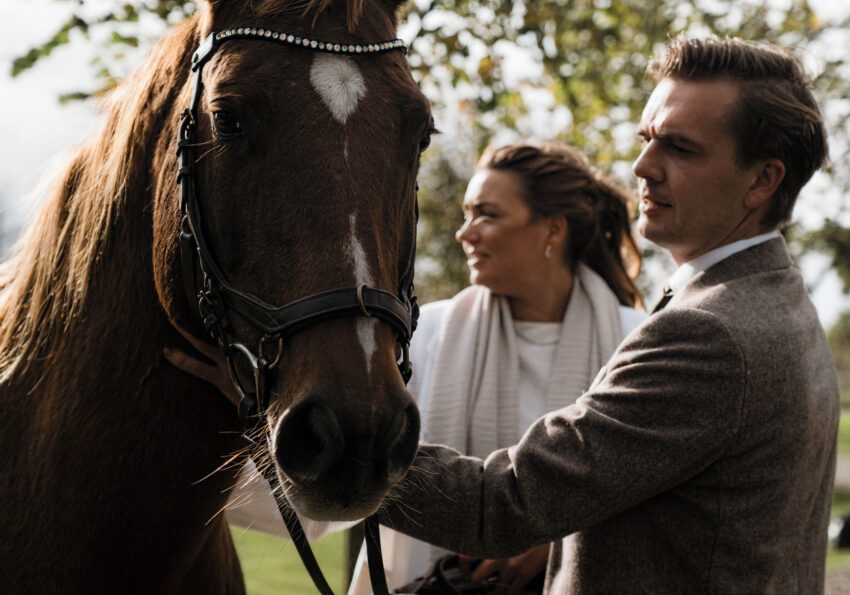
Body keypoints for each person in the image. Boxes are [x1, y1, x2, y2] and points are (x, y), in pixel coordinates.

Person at [370, 35, 840, 593]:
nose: (643, 166)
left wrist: (344, 448)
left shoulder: (711, 334)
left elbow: (504, 503)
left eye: (680, 148)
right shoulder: (779, 298)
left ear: (762, 180)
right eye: (646, 140)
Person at [167, 142, 648, 593]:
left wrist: (556, 546)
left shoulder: (637, 340)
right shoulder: (421, 337)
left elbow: (655, 501)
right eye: (466, 214)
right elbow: (341, 484)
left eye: (488, 214)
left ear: (552, 229)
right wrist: (254, 407)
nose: (465, 232)